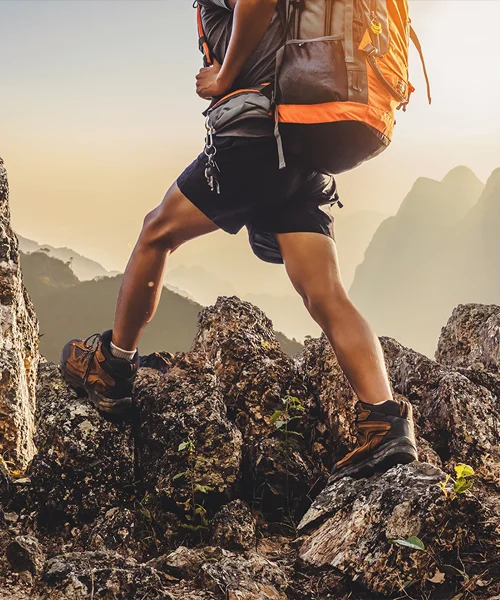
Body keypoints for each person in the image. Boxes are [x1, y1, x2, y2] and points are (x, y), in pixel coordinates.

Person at [60, 0, 417, 480]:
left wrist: (225, 77)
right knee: (325, 292)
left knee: (156, 232)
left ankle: (113, 368)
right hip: (300, 149)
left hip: (255, 137)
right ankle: (385, 423)